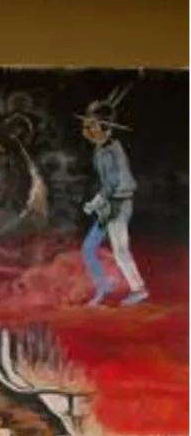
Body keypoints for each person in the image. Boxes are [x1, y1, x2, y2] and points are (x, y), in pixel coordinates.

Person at [78, 90, 148, 307]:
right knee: (89, 248)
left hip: (117, 204)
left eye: (92, 126)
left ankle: (138, 289)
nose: (87, 131)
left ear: (106, 128)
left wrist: (95, 203)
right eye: (86, 126)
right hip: (110, 204)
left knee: (120, 250)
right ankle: (104, 287)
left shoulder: (109, 151)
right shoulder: (102, 149)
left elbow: (112, 185)